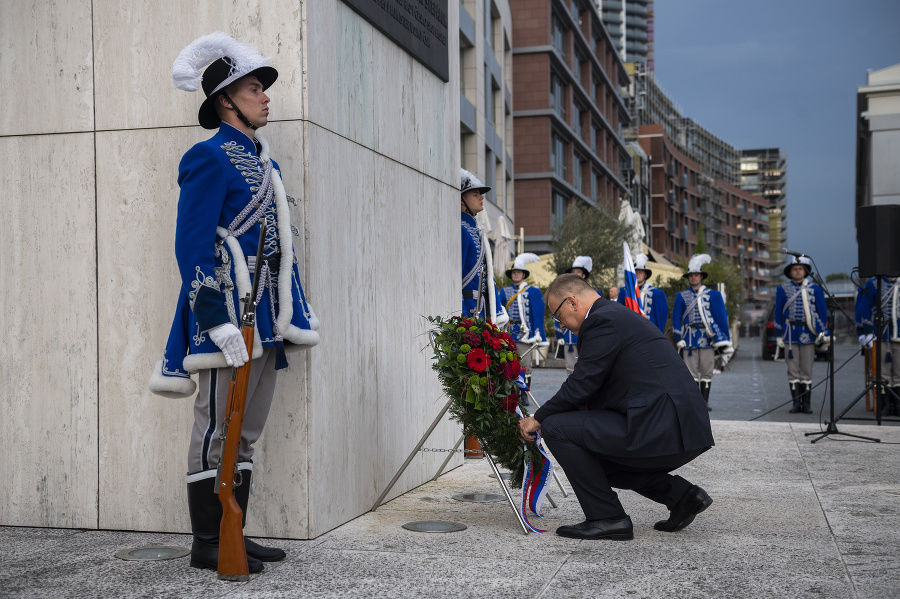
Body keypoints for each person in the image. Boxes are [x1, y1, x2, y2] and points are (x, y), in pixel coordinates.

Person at [148, 33, 320, 573]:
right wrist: (214, 320)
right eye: (254, 89)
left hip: (266, 316)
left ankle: (234, 531)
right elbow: (192, 245)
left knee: (245, 429)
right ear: (227, 99)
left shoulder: (264, 163)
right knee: (215, 424)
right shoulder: (207, 157)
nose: (266, 98)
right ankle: (207, 540)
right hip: (225, 316)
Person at [518, 274, 714, 540]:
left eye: (557, 315)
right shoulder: (612, 314)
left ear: (572, 301)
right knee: (595, 461)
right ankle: (682, 497)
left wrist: (537, 418)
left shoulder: (602, 320)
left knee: (556, 427)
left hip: (663, 423)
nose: (560, 324)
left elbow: (582, 384)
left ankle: (608, 518)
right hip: (676, 424)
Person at [671, 254, 733, 411]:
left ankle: (704, 402)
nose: (693, 278)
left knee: (707, 371)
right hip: (689, 339)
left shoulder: (713, 295)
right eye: (691, 275)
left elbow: (721, 318)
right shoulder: (681, 296)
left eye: (696, 275)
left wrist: (725, 338)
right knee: (690, 373)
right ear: (688, 278)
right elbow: (676, 318)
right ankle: (694, 403)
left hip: (708, 338)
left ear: (701, 277)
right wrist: (678, 337)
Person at [773, 255, 830, 414]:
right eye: (794, 269)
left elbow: (822, 313)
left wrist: (823, 333)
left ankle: (807, 403)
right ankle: (796, 403)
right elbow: (778, 313)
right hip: (790, 334)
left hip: (808, 333)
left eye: (800, 269)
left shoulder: (815, 289)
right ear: (790, 272)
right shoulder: (782, 289)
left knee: (806, 369)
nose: (797, 272)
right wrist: (779, 335)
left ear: (805, 272)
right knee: (792, 370)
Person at [460, 169, 507, 325]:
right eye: (475, 194)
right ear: (461, 201)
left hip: (480, 308)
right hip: (466, 309)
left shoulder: (475, 230)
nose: (481, 197)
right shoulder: (462, 230)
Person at [500, 253, 548, 386]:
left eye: (519, 272)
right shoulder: (504, 291)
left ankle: (525, 393)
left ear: (523, 274)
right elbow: (499, 310)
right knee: (509, 363)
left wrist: (537, 332)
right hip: (508, 333)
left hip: (525, 334)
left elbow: (538, 313)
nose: (516, 274)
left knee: (525, 364)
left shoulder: (532, 291)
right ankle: (512, 391)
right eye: (514, 272)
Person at [856, 275, 900, 415]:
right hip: (881, 333)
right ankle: (885, 405)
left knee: (899, 371)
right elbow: (866, 309)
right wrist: (868, 332)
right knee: (883, 372)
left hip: (898, 333)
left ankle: (897, 406)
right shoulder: (873, 284)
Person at [556, 256, 600, 375]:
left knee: (588, 368)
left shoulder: (594, 293)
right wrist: (559, 335)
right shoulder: (563, 294)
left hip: (588, 337)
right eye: (573, 272)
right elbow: (558, 313)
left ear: (584, 275)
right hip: (569, 338)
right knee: (570, 369)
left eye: (578, 272)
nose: (575, 274)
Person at [617, 253, 668, 333]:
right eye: (636, 271)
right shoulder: (624, 292)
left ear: (645, 275)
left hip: (649, 333)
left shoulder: (657, 294)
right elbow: (618, 314)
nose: (638, 274)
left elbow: (661, 318)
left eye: (640, 272)